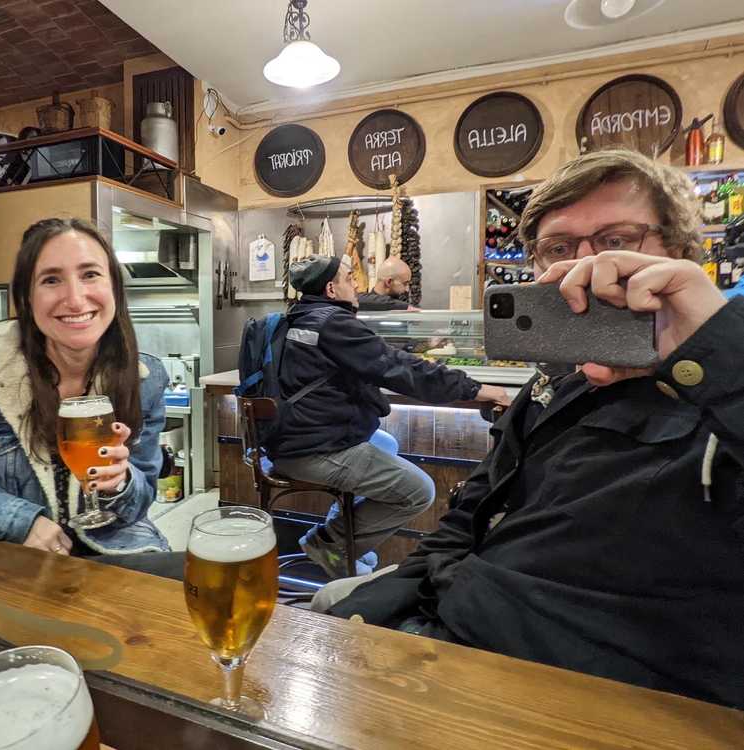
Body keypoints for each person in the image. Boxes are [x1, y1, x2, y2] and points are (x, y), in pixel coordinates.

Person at [319, 149, 744, 710]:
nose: (590, 264)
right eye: (559, 248)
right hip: (451, 631)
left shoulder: (720, 400)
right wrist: (383, 603)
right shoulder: (550, 389)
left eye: (619, 237)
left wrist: (715, 349)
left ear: (681, 251)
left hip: (583, 697)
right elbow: (464, 523)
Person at [0, 218, 179, 572]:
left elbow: (139, 503)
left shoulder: (145, 377)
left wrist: (122, 483)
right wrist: (16, 518)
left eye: (90, 275)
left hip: (118, 555)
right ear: (25, 297)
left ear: (113, 286)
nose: (75, 298)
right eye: (51, 279)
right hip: (8, 561)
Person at [270, 253, 510, 579]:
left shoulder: (299, 317)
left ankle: (342, 533)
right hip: (311, 449)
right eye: (348, 278)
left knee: (384, 443)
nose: (356, 283)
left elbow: (376, 360)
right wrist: (474, 388)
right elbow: (398, 368)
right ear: (331, 288)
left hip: (291, 439)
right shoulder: (332, 323)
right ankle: (329, 543)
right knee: (419, 491)